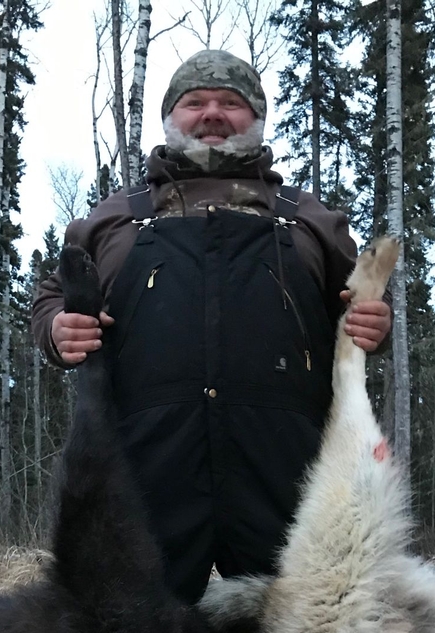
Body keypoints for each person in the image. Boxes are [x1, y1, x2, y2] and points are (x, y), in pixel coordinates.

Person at [32, 49, 392, 604]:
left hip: (286, 469)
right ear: (170, 118)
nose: (212, 114)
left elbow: (360, 307)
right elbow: (52, 296)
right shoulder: (114, 219)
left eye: (231, 103)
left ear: (257, 119)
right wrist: (57, 328)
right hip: (147, 465)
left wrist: (373, 323)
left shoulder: (311, 220)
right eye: (194, 102)